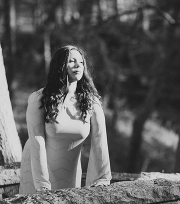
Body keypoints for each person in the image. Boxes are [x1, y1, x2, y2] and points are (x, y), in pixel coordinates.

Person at [19, 45, 112, 194]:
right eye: (72, 61)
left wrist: (102, 179)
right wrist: (42, 184)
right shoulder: (39, 99)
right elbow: (37, 141)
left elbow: (100, 140)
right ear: (60, 66)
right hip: (36, 172)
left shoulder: (91, 103)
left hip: (70, 170)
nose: (78, 66)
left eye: (81, 62)